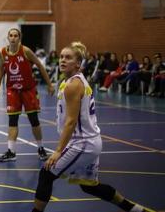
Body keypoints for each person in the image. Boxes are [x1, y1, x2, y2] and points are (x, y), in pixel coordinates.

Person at [31, 42, 154, 212]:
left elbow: (71, 121)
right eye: (61, 57)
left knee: (46, 174)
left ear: (78, 63)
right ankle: (135, 209)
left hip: (83, 143)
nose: (62, 60)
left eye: (68, 57)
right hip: (90, 141)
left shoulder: (74, 85)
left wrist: (59, 150)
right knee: (89, 186)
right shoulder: (69, 82)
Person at [0, 28, 55, 162]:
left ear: (19, 38)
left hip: (28, 90)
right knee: (12, 120)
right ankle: (11, 151)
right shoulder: (3, 53)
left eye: (16, 35)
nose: (13, 38)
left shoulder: (25, 51)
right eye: (11, 35)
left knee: (34, 120)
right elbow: (1, 69)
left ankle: (41, 148)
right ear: (8, 38)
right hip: (12, 90)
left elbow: (39, 65)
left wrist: (50, 84)